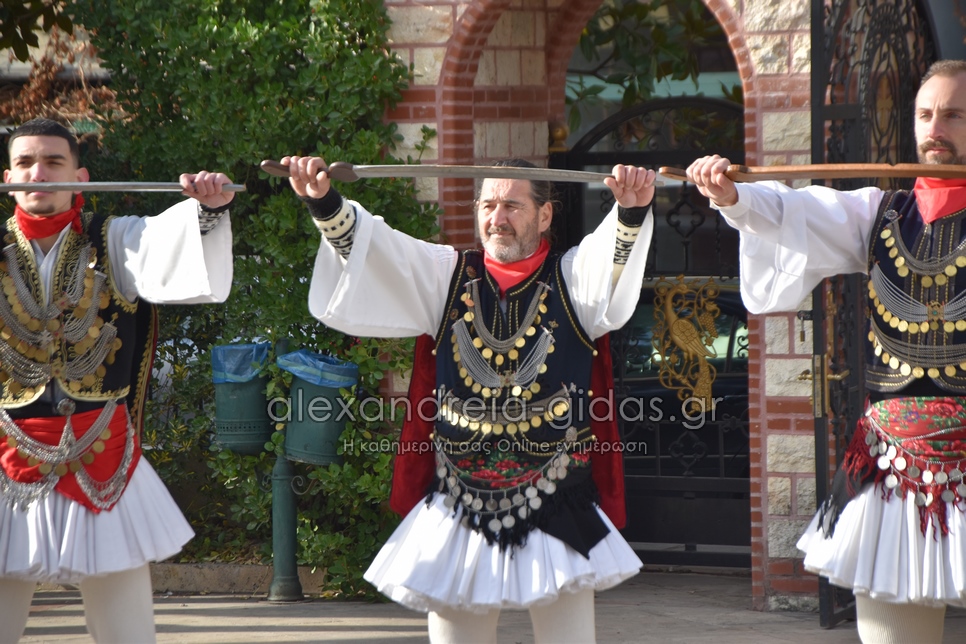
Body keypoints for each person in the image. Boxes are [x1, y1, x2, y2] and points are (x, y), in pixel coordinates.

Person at [282, 154, 655, 643]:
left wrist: (631, 209)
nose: (497, 218)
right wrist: (325, 201)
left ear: (545, 215)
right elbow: (381, 252)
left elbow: (610, 261)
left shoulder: (573, 278)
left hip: (558, 501)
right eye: (488, 205)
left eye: (513, 206)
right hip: (458, 501)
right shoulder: (445, 275)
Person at [685, 59, 966, 644]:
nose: (935, 128)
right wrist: (733, 196)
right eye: (925, 114)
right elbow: (797, 211)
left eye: (953, 115)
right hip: (891, 462)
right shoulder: (878, 212)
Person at [0, 118, 235, 643]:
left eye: (53, 162)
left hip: (104, 456)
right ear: (8, 177)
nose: (39, 173)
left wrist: (207, 209)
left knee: (127, 632)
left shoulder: (115, 239)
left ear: (80, 177)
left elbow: (165, 242)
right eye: (25, 163)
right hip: (6, 461)